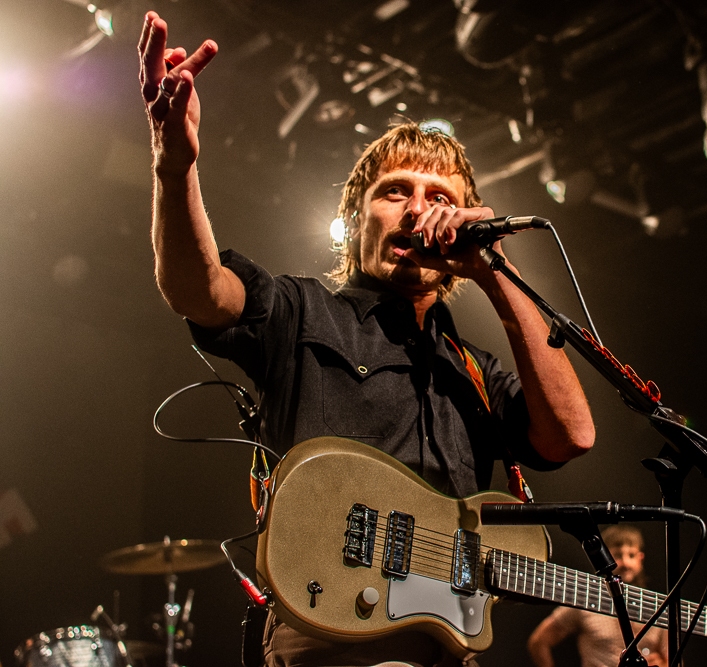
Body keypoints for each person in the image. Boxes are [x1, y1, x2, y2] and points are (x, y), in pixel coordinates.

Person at [137, 10, 595, 667]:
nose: (418, 207)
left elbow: (572, 434)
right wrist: (173, 167)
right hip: (329, 631)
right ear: (355, 222)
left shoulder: (476, 368)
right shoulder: (300, 310)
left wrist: (497, 273)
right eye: (395, 192)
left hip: (447, 642)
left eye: (439, 194)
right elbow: (198, 288)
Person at [527, 526, 668, 667]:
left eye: (631, 555)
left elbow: (674, 659)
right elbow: (539, 641)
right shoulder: (588, 599)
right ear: (605, 558)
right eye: (618, 555)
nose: (625, 563)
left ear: (640, 558)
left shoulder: (657, 606)